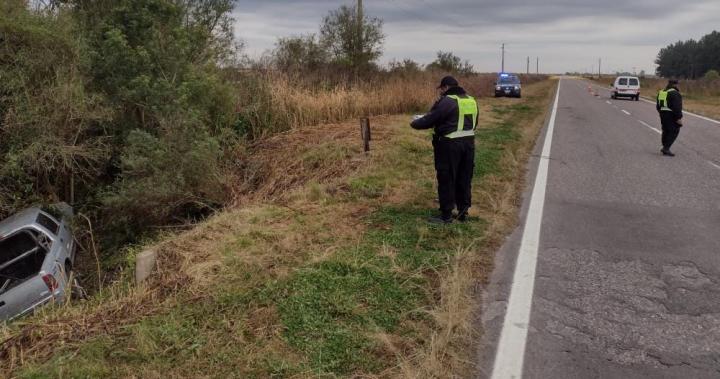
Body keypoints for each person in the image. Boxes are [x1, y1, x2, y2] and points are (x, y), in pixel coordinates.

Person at [411, 76, 478, 224]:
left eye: (441, 89)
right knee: (464, 178)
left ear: (446, 87)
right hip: (469, 145)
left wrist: (414, 123)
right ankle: (462, 212)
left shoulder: (447, 101)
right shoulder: (471, 100)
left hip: (449, 145)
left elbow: (430, 119)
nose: (441, 92)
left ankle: (446, 216)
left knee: (447, 177)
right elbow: (475, 122)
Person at [656, 79, 684, 157]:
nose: (679, 86)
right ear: (675, 85)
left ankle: (665, 146)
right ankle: (666, 148)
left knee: (665, 130)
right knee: (674, 130)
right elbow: (677, 107)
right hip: (671, 114)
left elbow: (658, 105)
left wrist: (661, 113)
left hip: (662, 113)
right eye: (678, 84)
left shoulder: (662, 92)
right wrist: (678, 117)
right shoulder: (675, 93)